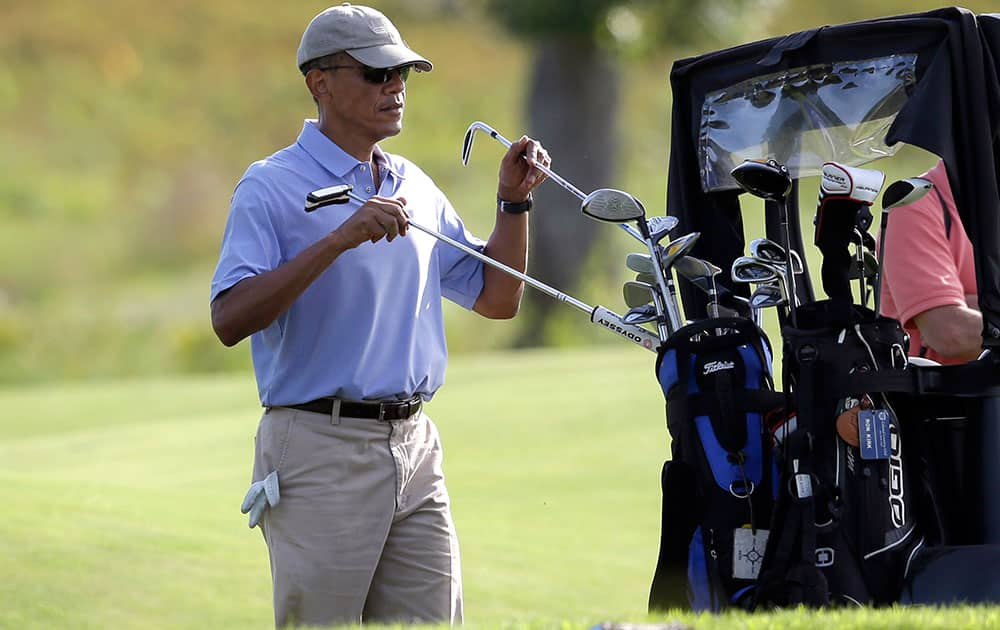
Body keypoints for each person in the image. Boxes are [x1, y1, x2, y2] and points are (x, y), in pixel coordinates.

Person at [209, 4, 551, 626]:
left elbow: (497, 300)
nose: (394, 87)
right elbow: (230, 318)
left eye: (402, 74)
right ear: (320, 82)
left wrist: (512, 204)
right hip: (319, 447)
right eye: (375, 74)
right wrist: (338, 239)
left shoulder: (412, 184)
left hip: (416, 447)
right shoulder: (270, 185)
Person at [879, 159, 982, 364]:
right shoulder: (914, 205)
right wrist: (958, 311)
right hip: (948, 392)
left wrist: (971, 306)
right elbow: (950, 332)